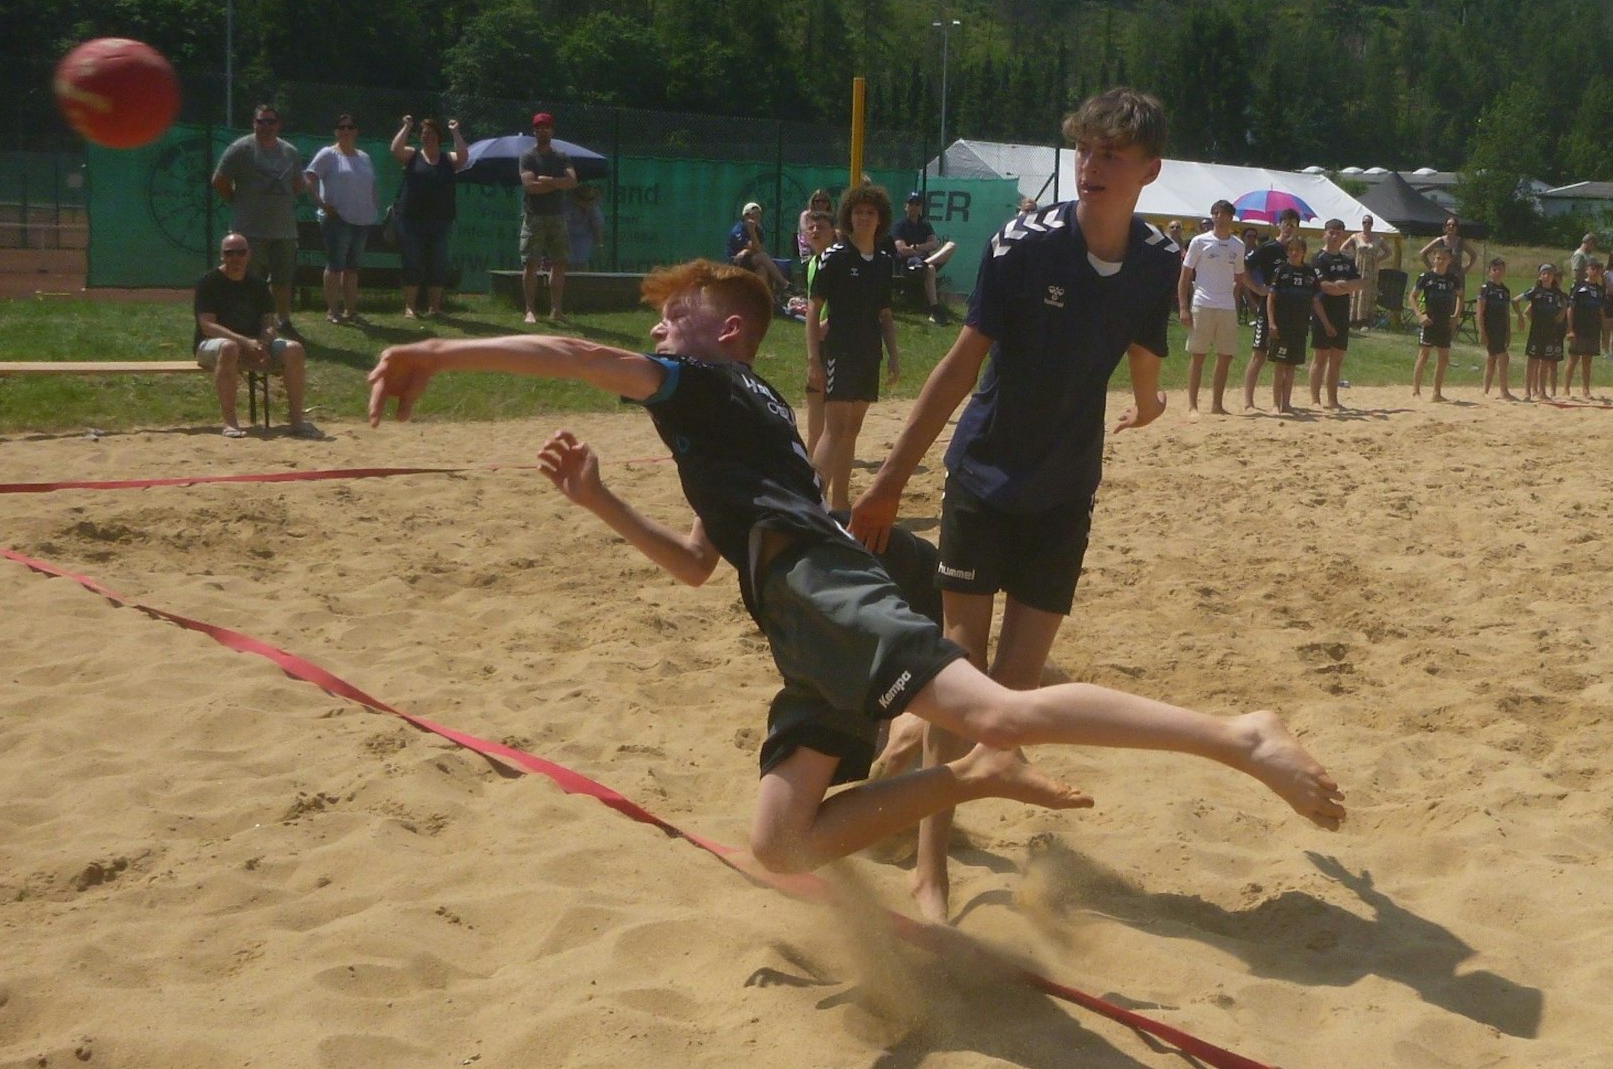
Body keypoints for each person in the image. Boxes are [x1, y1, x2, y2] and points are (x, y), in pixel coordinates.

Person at [365, 258, 1344, 886]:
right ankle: (968, 778)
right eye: (659, 321)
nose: (659, 330)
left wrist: (435, 351)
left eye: (677, 315)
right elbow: (699, 565)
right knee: (780, 844)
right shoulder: (738, 420)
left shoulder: (704, 385)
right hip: (798, 625)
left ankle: (1239, 738)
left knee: (998, 704)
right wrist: (601, 503)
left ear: (728, 332)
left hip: (824, 591)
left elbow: (578, 352)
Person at [846, 88, 1180, 920]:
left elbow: (1143, 340)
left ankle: (903, 756)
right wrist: (889, 481)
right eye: (1085, 151)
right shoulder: (1024, 245)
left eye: (1111, 155)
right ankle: (932, 865)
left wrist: (1150, 396)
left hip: (1067, 488)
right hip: (988, 478)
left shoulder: (1156, 256)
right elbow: (958, 368)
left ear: (1149, 171)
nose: (1092, 167)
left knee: (1018, 689)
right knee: (966, 664)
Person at [807, 184, 898, 514]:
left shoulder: (884, 262)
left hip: (869, 353)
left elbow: (885, 314)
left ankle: (840, 504)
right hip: (840, 352)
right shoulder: (835, 257)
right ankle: (810, 504)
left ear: (880, 219)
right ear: (848, 216)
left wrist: (894, 356)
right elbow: (814, 309)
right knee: (834, 429)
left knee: (852, 429)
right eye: (858, 211)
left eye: (869, 212)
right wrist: (813, 358)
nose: (863, 216)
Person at [192, 232, 317, 439]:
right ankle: (230, 422)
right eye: (230, 253)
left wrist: (263, 343)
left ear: (249, 255)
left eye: (241, 253)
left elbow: (268, 324)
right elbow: (207, 325)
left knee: (294, 349)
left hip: (252, 344)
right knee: (229, 347)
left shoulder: (258, 284)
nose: (236, 258)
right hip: (211, 346)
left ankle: (296, 421)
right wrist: (245, 342)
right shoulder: (209, 282)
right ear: (222, 256)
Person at [211, 104, 307, 340]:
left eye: (271, 121)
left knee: (283, 280)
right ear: (254, 124)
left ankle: (283, 321)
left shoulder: (290, 152)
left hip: (283, 230)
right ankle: (246, 323)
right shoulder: (240, 149)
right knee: (247, 279)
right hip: (249, 230)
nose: (266, 126)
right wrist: (237, 201)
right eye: (261, 121)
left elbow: (297, 184)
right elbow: (219, 180)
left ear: (278, 124)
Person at [1177, 199, 1254, 415]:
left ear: (1231, 218)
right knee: (1198, 354)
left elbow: (1240, 278)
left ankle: (1217, 404)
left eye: (1225, 214)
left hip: (1226, 306)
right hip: (1203, 302)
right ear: (1212, 216)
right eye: (1217, 213)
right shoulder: (1199, 242)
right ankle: (1193, 405)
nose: (1220, 217)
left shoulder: (1237, 246)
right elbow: (1184, 277)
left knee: (1225, 356)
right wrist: (1183, 307)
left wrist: (1249, 297)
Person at [389, 115, 468, 320]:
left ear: (439, 137)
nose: (428, 137)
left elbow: (463, 157)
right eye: (424, 134)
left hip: (440, 221)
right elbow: (395, 150)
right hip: (410, 220)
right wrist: (406, 126)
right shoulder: (412, 155)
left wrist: (455, 131)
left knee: (437, 262)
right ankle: (410, 307)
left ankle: (435, 307)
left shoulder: (447, 159)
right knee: (412, 262)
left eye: (432, 134)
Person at [304, 114, 379, 325]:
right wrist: (321, 204)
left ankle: (351, 311)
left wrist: (374, 207)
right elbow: (308, 178)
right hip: (338, 219)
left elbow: (371, 184)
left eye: (350, 126)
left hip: (363, 220)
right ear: (336, 131)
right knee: (336, 265)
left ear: (356, 131)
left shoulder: (364, 157)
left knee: (353, 268)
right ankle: (333, 311)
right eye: (341, 127)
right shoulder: (328, 154)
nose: (346, 130)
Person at [519, 112, 577, 325]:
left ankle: (557, 310)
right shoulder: (527, 156)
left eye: (546, 127)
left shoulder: (561, 156)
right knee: (531, 264)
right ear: (534, 131)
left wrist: (547, 180)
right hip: (534, 216)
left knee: (559, 263)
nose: (542, 131)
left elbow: (572, 182)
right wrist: (556, 184)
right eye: (538, 128)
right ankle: (530, 310)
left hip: (557, 216)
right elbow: (529, 186)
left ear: (552, 130)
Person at [1240, 209, 1297, 410]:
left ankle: (1282, 402)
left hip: (1289, 309)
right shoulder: (1268, 248)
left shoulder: (1296, 249)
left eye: (1293, 224)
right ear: (1279, 224)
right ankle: (1248, 402)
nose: (1289, 227)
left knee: (1285, 357)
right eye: (1286, 223)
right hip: (1268, 306)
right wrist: (1256, 288)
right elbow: (1243, 266)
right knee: (1259, 353)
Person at [1308, 218, 1366, 408]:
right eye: (1331, 232)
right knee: (1320, 357)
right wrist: (1343, 287)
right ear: (1325, 234)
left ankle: (1333, 400)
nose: (1334, 236)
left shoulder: (1348, 259)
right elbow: (1324, 287)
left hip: (1342, 312)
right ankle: (1315, 400)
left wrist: (1343, 286)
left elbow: (1359, 284)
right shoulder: (1318, 258)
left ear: (1343, 235)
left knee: (1337, 359)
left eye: (1338, 233)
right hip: (1323, 312)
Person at [1264, 236, 1325, 414]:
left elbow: (1315, 300)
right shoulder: (1281, 271)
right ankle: (1275, 404)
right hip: (1282, 325)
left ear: (1303, 252)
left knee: (1291, 366)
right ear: (1287, 252)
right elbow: (1271, 299)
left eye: (1298, 249)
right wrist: (1272, 322)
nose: (1294, 252)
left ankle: (1287, 403)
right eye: (1291, 249)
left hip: (1300, 326)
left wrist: (1324, 323)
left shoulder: (1309, 273)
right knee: (1280, 365)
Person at [798, 209, 837, 458]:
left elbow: (852, 302)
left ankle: (822, 464)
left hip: (835, 341)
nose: (814, 231)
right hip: (818, 340)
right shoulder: (814, 262)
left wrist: (830, 322)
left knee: (831, 409)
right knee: (814, 400)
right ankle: (810, 463)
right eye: (810, 227)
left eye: (820, 226)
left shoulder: (836, 260)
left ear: (833, 232)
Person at [891, 191, 959, 324]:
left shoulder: (925, 224)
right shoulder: (900, 225)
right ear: (906, 206)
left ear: (921, 207)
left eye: (917, 204)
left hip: (923, 262)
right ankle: (935, 309)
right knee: (931, 269)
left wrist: (916, 247)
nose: (914, 207)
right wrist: (920, 251)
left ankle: (925, 264)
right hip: (909, 265)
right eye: (911, 203)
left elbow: (934, 244)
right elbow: (902, 250)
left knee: (951, 245)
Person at [1409, 246, 1459, 402]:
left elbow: (1460, 297)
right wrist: (1419, 315)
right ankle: (1416, 391)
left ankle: (1437, 392)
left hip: (1445, 322)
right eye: (1437, 258)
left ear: (1449, 260)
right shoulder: (1426, 277)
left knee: (1443, 357)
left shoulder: (1453, 279)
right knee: (1424, 355)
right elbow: (1412, 297)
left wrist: (1456, 315)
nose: (1440, 261)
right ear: (1433, 259)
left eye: (1443, 259)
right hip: (1429, 321)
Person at [1516, 263, 1568, 401]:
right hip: (1536, 331)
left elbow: (1566, 303)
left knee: (1545, 362)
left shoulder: (1557, 294)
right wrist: (1521, 316)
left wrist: (1562, 314)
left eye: (1549, 274)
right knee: (1532, 361)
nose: (1546, 276)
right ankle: (1527, 392)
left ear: (1553, 277)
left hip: (1550, 331)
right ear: (1540, 276)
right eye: (1544, 273)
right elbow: (1516, 300)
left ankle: (1542, 391)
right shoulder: (1535, 291)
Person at [727, 202, 790, 297]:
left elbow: (759, 248)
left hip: (750, 260)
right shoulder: (738, 230)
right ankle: (784, 283)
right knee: (762, 257)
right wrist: (751, 231)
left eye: (759, 214)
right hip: (736, 262)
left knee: (763, 268)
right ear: (746, 216)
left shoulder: (759, 229)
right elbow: (757, 250)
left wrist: (747, 250)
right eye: (754, 214)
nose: (758, 216)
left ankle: (762, 298)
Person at [1339, 215, 1391, 329]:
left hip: (1371, 269)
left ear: (1372, 224)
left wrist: (1378, 259)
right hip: (1358, 268)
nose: (1367, 225)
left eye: (1369, 222)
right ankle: (1353, 319)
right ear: (1362, 224)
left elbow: (1388, 251)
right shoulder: (1355, 237)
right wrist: (1352, 258)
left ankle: (1366, 320)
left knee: (1368, 293)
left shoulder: (1378, 238)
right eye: (1364, 222)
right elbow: (1342, 249)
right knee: (1356, 292)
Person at [1564, 258, 1606, 399]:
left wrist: (1604, 333)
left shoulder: (1600, 290)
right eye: (1592, 268)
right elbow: (1571, 308)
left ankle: (1585, 390)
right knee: (1573, 359)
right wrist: (1570, 329)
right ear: (1587, 269)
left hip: (1592, 329)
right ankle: (1566, 389)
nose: (1595, 272)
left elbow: (1602, 313)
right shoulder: (1578, 286)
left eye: (1598, 269)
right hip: (1578, 328)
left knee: (1587, 361)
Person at [1475, 257, 1516, 400]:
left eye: (1500, 270)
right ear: (1489, 272)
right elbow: (1480, 311)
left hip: (1501, 327)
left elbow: (1506, 312)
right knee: (1503, 358)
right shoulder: (1486, 288)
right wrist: (1482, 331)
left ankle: (1485, 390)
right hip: (1490, 327)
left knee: (1492, 358)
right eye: (1495, 270)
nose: (1497, 272)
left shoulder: (1505, 290)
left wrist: (1508, 331)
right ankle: (1504, 391)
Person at [1417, 216, 1476, 300]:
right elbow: (1423, 253)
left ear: (1457, 228)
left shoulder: (1460, 241)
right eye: (1448, 225)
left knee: (1457, 300)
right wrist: (1431, 268)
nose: (1451, 227)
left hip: (1457, 276)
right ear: (1445, 227)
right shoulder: (1439, 240)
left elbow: (1473, 255)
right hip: (1441, 275)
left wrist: (1467, 268)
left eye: (1453, 225)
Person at [566, 185, 603, 269]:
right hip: (568, 237)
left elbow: (598, 226)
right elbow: (565, 225)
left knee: (582, 260)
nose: (587, 202)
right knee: (566, 262)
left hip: (585, 238)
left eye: (590, 199)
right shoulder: (568, 206)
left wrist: (600, 244)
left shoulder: (594, 208)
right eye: (584, 199)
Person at [797, 188, 834, 264]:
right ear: (812, 202)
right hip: (809, 254)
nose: (820, 204)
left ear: (828, 203)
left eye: (824, 201)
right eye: (817, 201)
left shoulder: (831, 217)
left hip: (828, 253)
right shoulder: (806, 216)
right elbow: (806, 234)